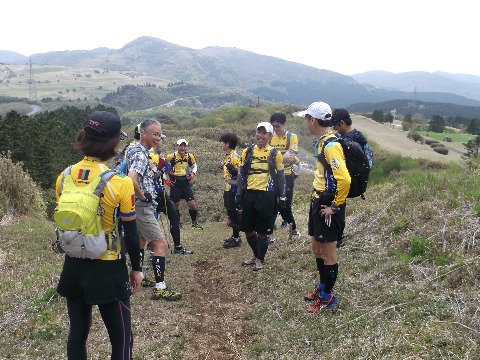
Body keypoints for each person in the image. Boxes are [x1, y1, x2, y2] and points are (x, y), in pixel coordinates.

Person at [55, 111, 142, 359]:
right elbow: (132, 234)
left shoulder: (64, 176)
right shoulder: (120, 182)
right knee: (122, 339)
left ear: (83, 137)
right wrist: (136, 268)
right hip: (108, 267)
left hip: (73, 265)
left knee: (78, 333)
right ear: (115, 144)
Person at [299, 101, 351, 313]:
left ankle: (329, 297)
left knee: (328, 253)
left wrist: (335, 207)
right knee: (316, 247)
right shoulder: (322, 142)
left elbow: (345, 180)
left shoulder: (331, 146)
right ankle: (322, 288)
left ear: (312, 120)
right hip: (318, 200)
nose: (306, 122)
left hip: (328, 203)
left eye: (307, 118)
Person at [127, 119, 182, 301]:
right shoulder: (140, 154)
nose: (158, 137)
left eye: (159, 134)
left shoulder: (138, 151)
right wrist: (144, 196)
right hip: (141, 206)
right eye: (155, 134)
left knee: (142, 239)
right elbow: (131, 179)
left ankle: (140, 276)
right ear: (144, 133)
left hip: (137, 206)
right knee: (160, 244)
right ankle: (160, 287)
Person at [236, 122, 286, 271]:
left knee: (263, 231)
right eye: (259, 132)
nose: (261, 135)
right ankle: (256, 255)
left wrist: (282, 196)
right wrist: (239, 193)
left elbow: (281, 176)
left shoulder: (275, 153)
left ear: (270, 136)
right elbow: (241, 174)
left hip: (266, 195)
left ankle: (260, 259)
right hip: (250, 193)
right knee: (248, 229)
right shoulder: (247, 151)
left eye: (265, 133)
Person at [330, 108, 374, 248]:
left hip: (343, 181)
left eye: (336, 125)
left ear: (341, 123)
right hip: (355, 180)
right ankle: (339, 238)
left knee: (338, 208)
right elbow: (370, 161)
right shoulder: (360, 138)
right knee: (340, 209)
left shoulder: (343, 142)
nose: (335, 129)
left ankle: (337, 239)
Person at [149, 135, 194, 255]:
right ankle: (176, 248)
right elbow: (165, 168)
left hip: (145, 194)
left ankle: (151, 252)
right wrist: (165, 171)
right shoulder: (155, 155)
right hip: (157, 192)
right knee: (173, 217)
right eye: (160, 138)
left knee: (150, 221)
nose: (161, 140)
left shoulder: (136, 152)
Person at [269, 111, 301, 239]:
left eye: (278, 126)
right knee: (271, 204)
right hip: (273, 176)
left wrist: (274, 158)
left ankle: (293, 229)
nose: (276, 129)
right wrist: (280, 157)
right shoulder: (271, 137)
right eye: (274, 126)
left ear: (284, 124)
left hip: (287, 175)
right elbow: (269, 157)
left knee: (285, 205)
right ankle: (269, 234)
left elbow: (290, 158)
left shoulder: (291, 137)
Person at [166, 139, 203, 230]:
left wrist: (192, 173)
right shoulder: (171, 156)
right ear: (176, 146)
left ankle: (194, 223)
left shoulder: (190, 156)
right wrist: (166, 179)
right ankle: (178, 223)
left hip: (185, 182)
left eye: (184, 146)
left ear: (187, 147)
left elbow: (195, 166)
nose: (182, 148)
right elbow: (164, 169)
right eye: (180, 146)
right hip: (175, 182)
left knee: (192, 204)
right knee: (175, 204)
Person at [220, 132, 242, 248]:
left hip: (233, 189)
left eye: (222, 143)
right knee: (230, 211)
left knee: (233, 213)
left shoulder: (234, 157)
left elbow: (240, 174)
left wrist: (233, 170)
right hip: (228, 188)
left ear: (227, 144)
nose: (221, 145)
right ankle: (235, 236)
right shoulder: (227, 156)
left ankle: (237, 238)